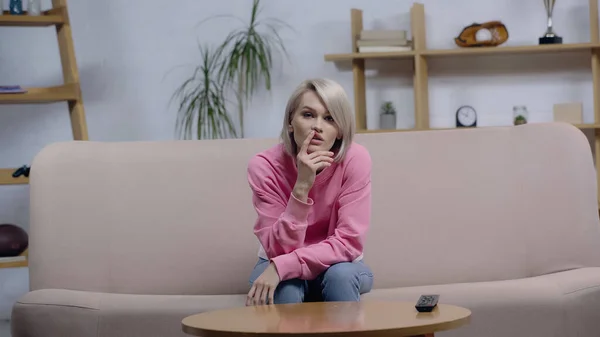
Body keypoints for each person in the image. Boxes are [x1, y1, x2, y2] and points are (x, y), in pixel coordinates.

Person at [245, 78, 373, 306]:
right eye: (308, 115)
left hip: (338, 264)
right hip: (278, 259)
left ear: (341, 130)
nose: (318, 126)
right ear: (290, 122)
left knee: (340, 278)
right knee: (286, 288)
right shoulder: (264, 166)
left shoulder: (356, 159)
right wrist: (302, 185)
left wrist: (282, 266)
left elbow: (348, 243)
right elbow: (278, 249)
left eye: (329, 118)